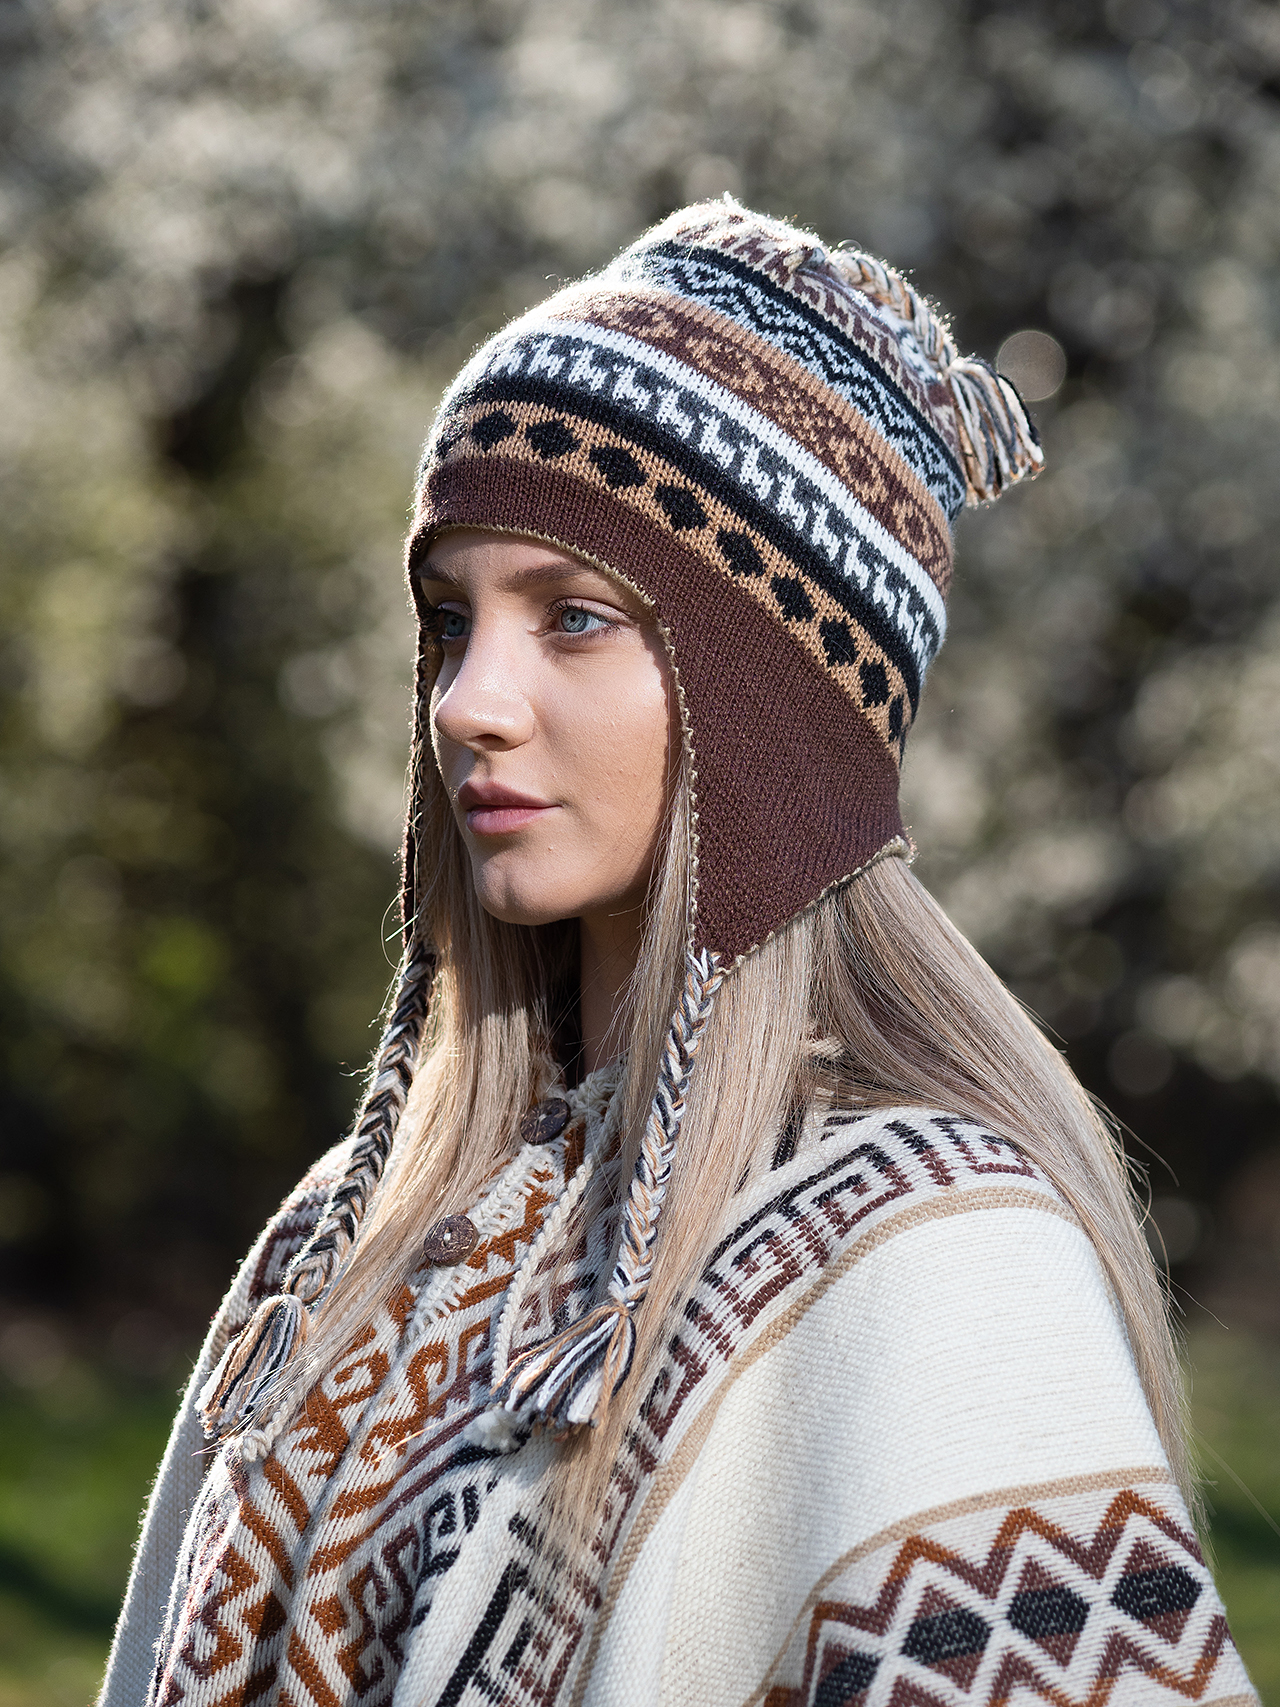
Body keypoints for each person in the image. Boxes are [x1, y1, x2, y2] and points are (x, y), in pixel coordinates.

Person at [100, 199, 1256, 1707]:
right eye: (449, 621)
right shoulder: (349, 1238)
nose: (466, 702)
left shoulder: (933, 1258)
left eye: (575, 617)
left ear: (771, 710)